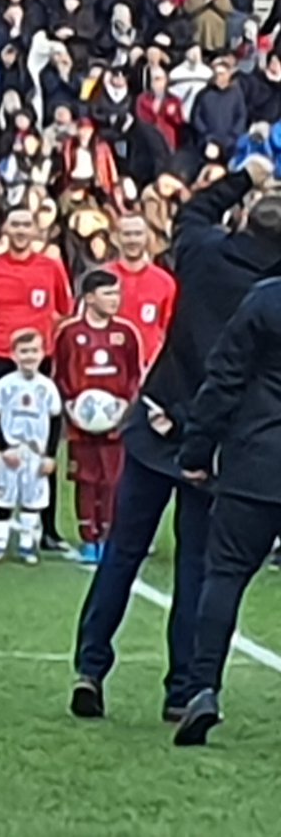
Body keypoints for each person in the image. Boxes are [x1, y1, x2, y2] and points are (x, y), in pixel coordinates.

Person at [71, 156, 281, 724]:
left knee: (123, 552)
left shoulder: (204, 253)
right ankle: (182, 687)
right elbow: (233, 374)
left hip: (158, 414)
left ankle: (90, 666)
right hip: (213, 435)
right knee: (197, 565)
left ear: (244, 221)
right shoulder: (269, 291)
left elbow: (193, 212)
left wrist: (245, 175)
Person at [174, 278, 281, 746]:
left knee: (225, 575)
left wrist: (197, 450)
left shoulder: (265, 298)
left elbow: (225, 378)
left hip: (257, 459)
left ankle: (202, 688)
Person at [0, 209, 73, 550]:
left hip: (39, 360)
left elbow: (63, 311)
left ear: (36, 229)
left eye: (27, 224)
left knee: (42, 440)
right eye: (16, 224)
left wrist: (40, 344)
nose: (22, 230)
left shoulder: (50, 267)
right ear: (6, 229)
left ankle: (49, 529)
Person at [55, 270, 142, 564]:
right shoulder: (69, 333)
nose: (114, 300)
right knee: (86, 479)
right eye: (108, 294)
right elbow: (62, 373)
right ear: (90, 298)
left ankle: (108, 535)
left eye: (117, 294)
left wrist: (124, 407)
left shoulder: (126, 333)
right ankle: (88, 538)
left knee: (113, 480)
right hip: (82, 422)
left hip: (115, 422)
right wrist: (70, 405)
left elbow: (133, 376)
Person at [0, 329, 62, 566]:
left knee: (33, 500)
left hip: (35, 453)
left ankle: (27, 545)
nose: (29, 357)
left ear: (43, 354)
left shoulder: (47, 387)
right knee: (3, 499)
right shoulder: (5, 385)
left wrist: (50, 455)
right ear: (13, 355)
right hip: (10, 450)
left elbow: (56, 420)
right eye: (24, 351)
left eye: (34, 351)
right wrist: (3, 447)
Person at [106, 214, 175, 371]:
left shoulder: (165, 282)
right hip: (109, 367)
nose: (133, 240)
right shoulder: (102, 279)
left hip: (149, 370)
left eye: (138, 234)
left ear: (147, 237)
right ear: (115, 238)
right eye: (127, 234)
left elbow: (166, 330)